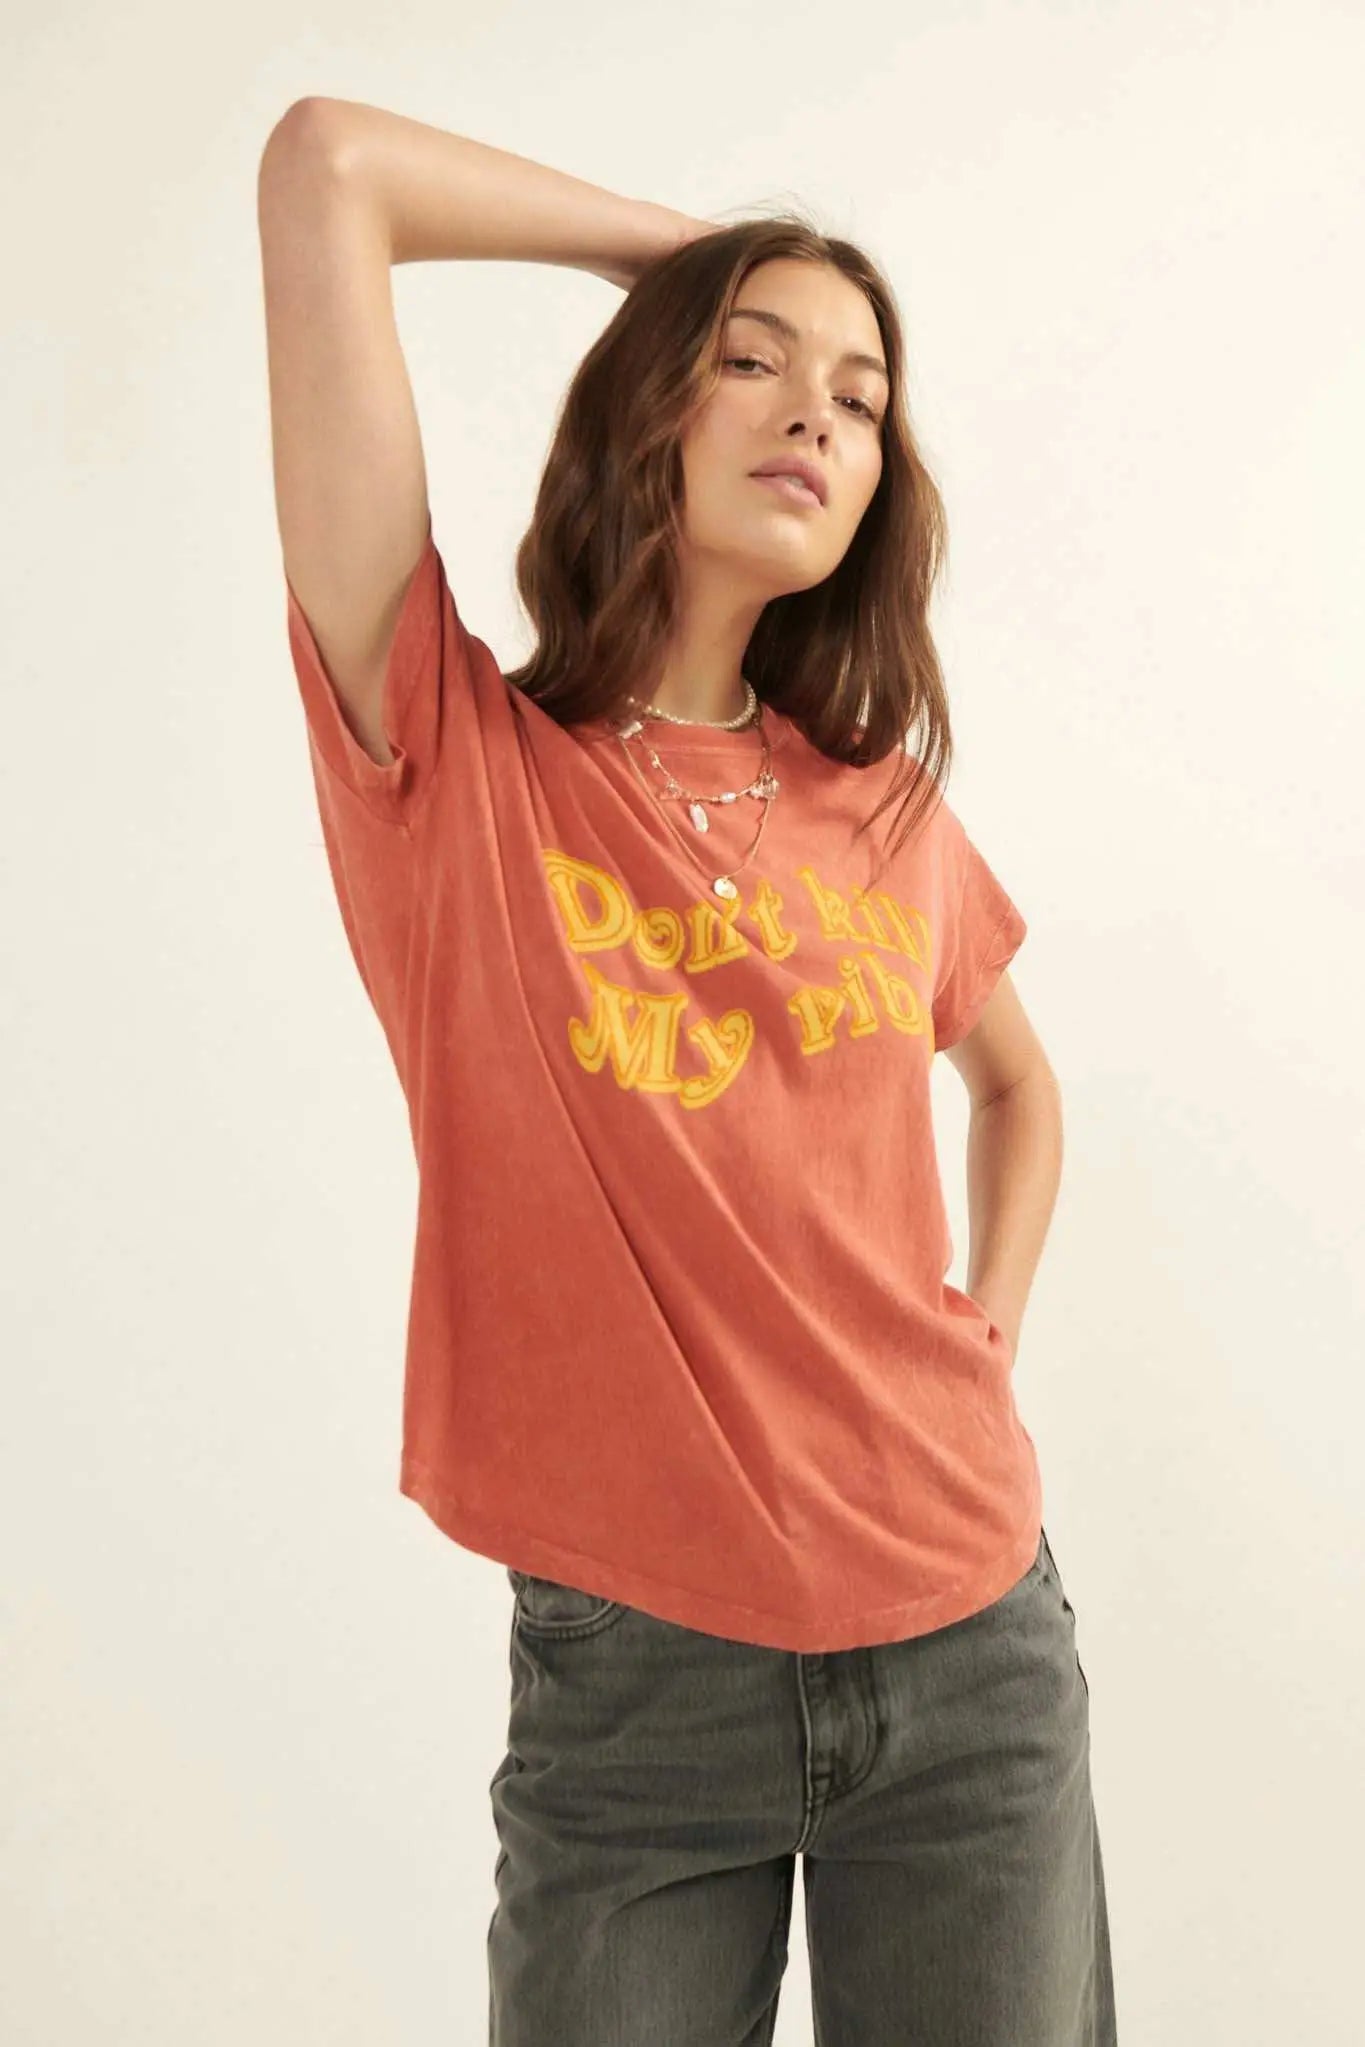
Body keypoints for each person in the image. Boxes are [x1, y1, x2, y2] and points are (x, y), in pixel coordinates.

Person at [257, 95, 1117, 2047]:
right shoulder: (454, 766)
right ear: (648, 402)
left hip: (966, 1641)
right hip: (638, 1684)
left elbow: (1018, 1090)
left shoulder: (877, 809)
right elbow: (326, 169)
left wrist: (981, 1336)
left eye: (859, 397)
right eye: (751, 362)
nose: (814, 412)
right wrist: (668, 258)